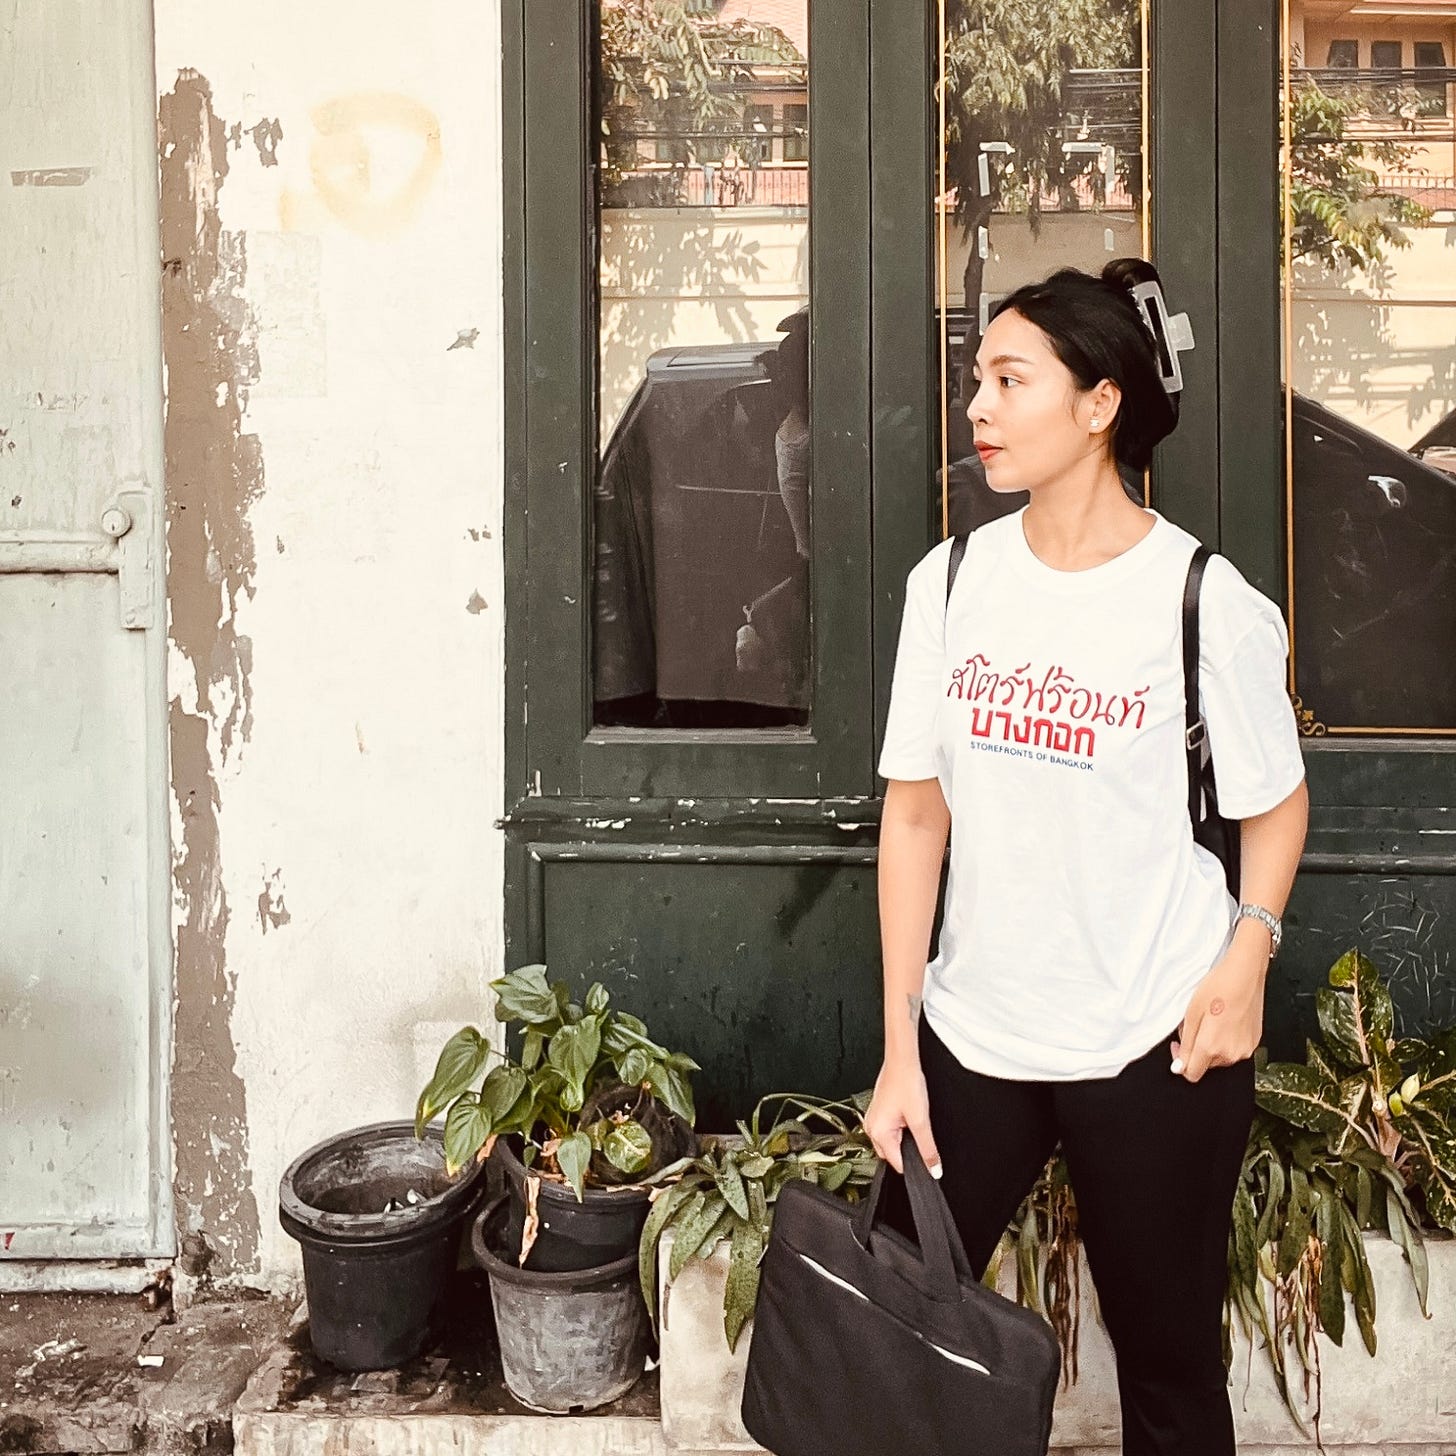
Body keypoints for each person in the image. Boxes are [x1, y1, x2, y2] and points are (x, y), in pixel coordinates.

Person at [863, 258, 1309, 1456]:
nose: (978, 407)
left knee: (1168, 1374)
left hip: (1155, 1037)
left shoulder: (1201, 597)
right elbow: (915, 819)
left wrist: (1245, 960)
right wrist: (900, 1049)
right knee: (882, 1345)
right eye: (977, 380)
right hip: (974, 1037)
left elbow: (1274, 807)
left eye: (1011, 380)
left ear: (1100, 402)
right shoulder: (950, 583)